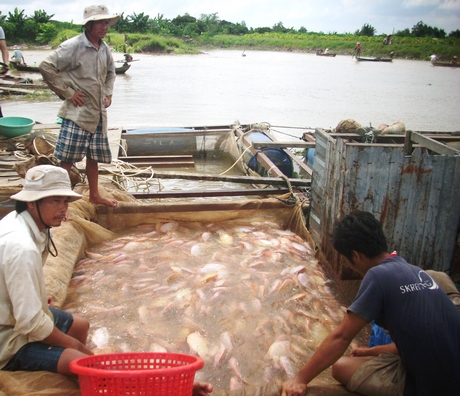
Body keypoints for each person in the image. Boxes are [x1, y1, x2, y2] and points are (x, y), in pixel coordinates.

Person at [281, 211, 460, 396]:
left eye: (345, 259)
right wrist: (374, 351)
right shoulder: (413, 270)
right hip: (453, 369)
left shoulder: (377, 275)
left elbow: (341, 337)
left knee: (341, 367)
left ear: (355, 256)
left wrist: (299, 379)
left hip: (436, 385)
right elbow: (419, 337)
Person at [0, 165, 93, 377]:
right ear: (31, 202)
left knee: (80, 325)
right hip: (6, 337)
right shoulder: (21, 247)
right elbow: (31, 323)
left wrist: (38, 297)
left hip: (12, 315)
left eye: (65, 201)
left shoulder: (21, 220)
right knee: (77, 359)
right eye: (54, 201)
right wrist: (76, 348)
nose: (63, 209)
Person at [39, 5, 118, 207]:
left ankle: (94, 195)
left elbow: (111, 73)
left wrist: (108, 94)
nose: (104, 26)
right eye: (100, 22)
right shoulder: (73, 46)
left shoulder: (104, 48)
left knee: (94, 157)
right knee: (67, 159)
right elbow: (46, 66)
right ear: (89, 25)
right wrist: (68, 93)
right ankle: (59, 201)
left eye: (106, 22)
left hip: (97, 113)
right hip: (78, 113)